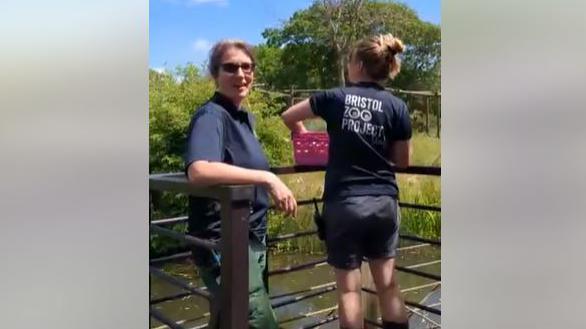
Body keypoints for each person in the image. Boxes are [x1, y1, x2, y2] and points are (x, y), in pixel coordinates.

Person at [281, 34, 412, 329]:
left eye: (351, 60)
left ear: (360, 65)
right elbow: (402, 161)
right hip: (383, 202)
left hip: (344, 203)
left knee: (350, 290)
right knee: (388, 286)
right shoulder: (397, 106)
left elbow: (289, 116)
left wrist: (303, 133)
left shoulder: (334, 97)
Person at [184, 39, 297, 329]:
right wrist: (268, 178)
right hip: (224, 240)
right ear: (215, 74)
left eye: (247, 67)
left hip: (251, 235)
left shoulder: (244, 118)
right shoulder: (211, 116)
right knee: (258, 319)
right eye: (230, 68)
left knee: (233, 318)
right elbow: (199, 170)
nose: (240, 74)